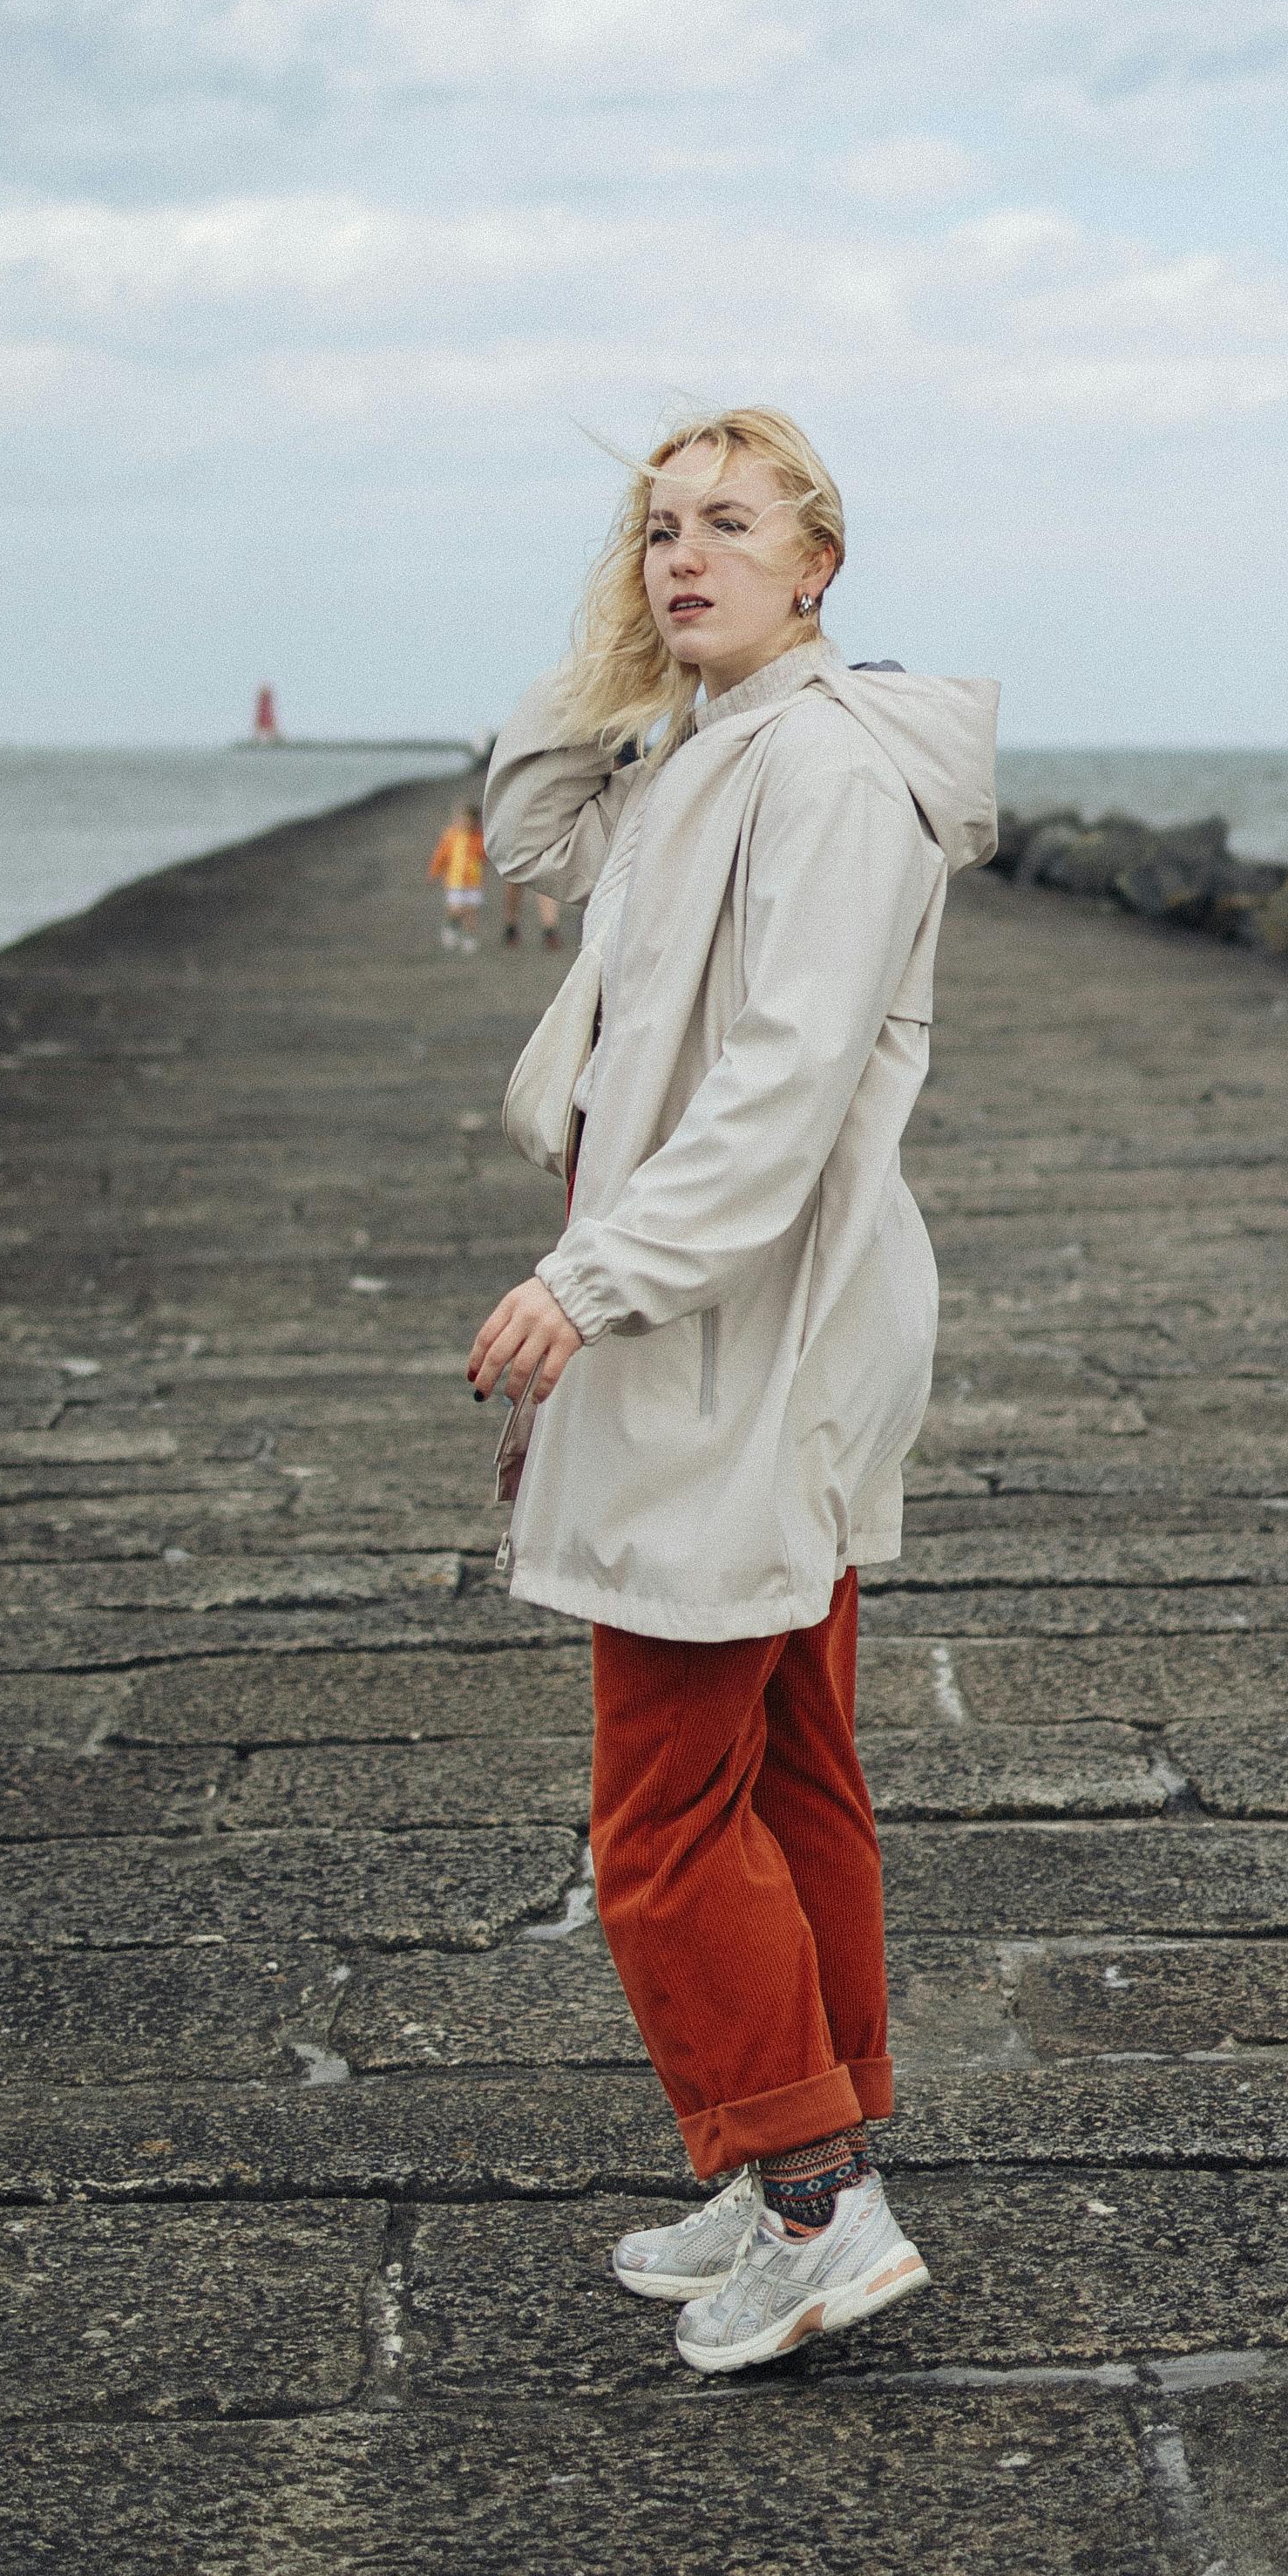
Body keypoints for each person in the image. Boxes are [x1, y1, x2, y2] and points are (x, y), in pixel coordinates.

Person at [467, 404, 996, 2372]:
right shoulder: (699, 752)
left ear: (819, 563)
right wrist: (615, 647)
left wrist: (587, 1277)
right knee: (785, 1766)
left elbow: (779, 1089)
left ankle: (811, 2203)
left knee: (664, 1810)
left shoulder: (832, 778)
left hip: (752, 1323)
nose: (684, 555)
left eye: (727, 526)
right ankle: (798, 2155)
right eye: (655, 528)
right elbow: (529, 825)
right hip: (739, 1310)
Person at [426, 801, 487, 951]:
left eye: (467, 820)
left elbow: (484, 855)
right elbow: (441, 855)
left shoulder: (478, 838)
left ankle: (469, 938)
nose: (463, 823)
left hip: (473, 881)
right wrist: (434, 872)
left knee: (471, 912)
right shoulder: (450, 837)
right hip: (455, 881)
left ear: (474, 821)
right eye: (460, 819)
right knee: (456, 909)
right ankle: (451, 926)